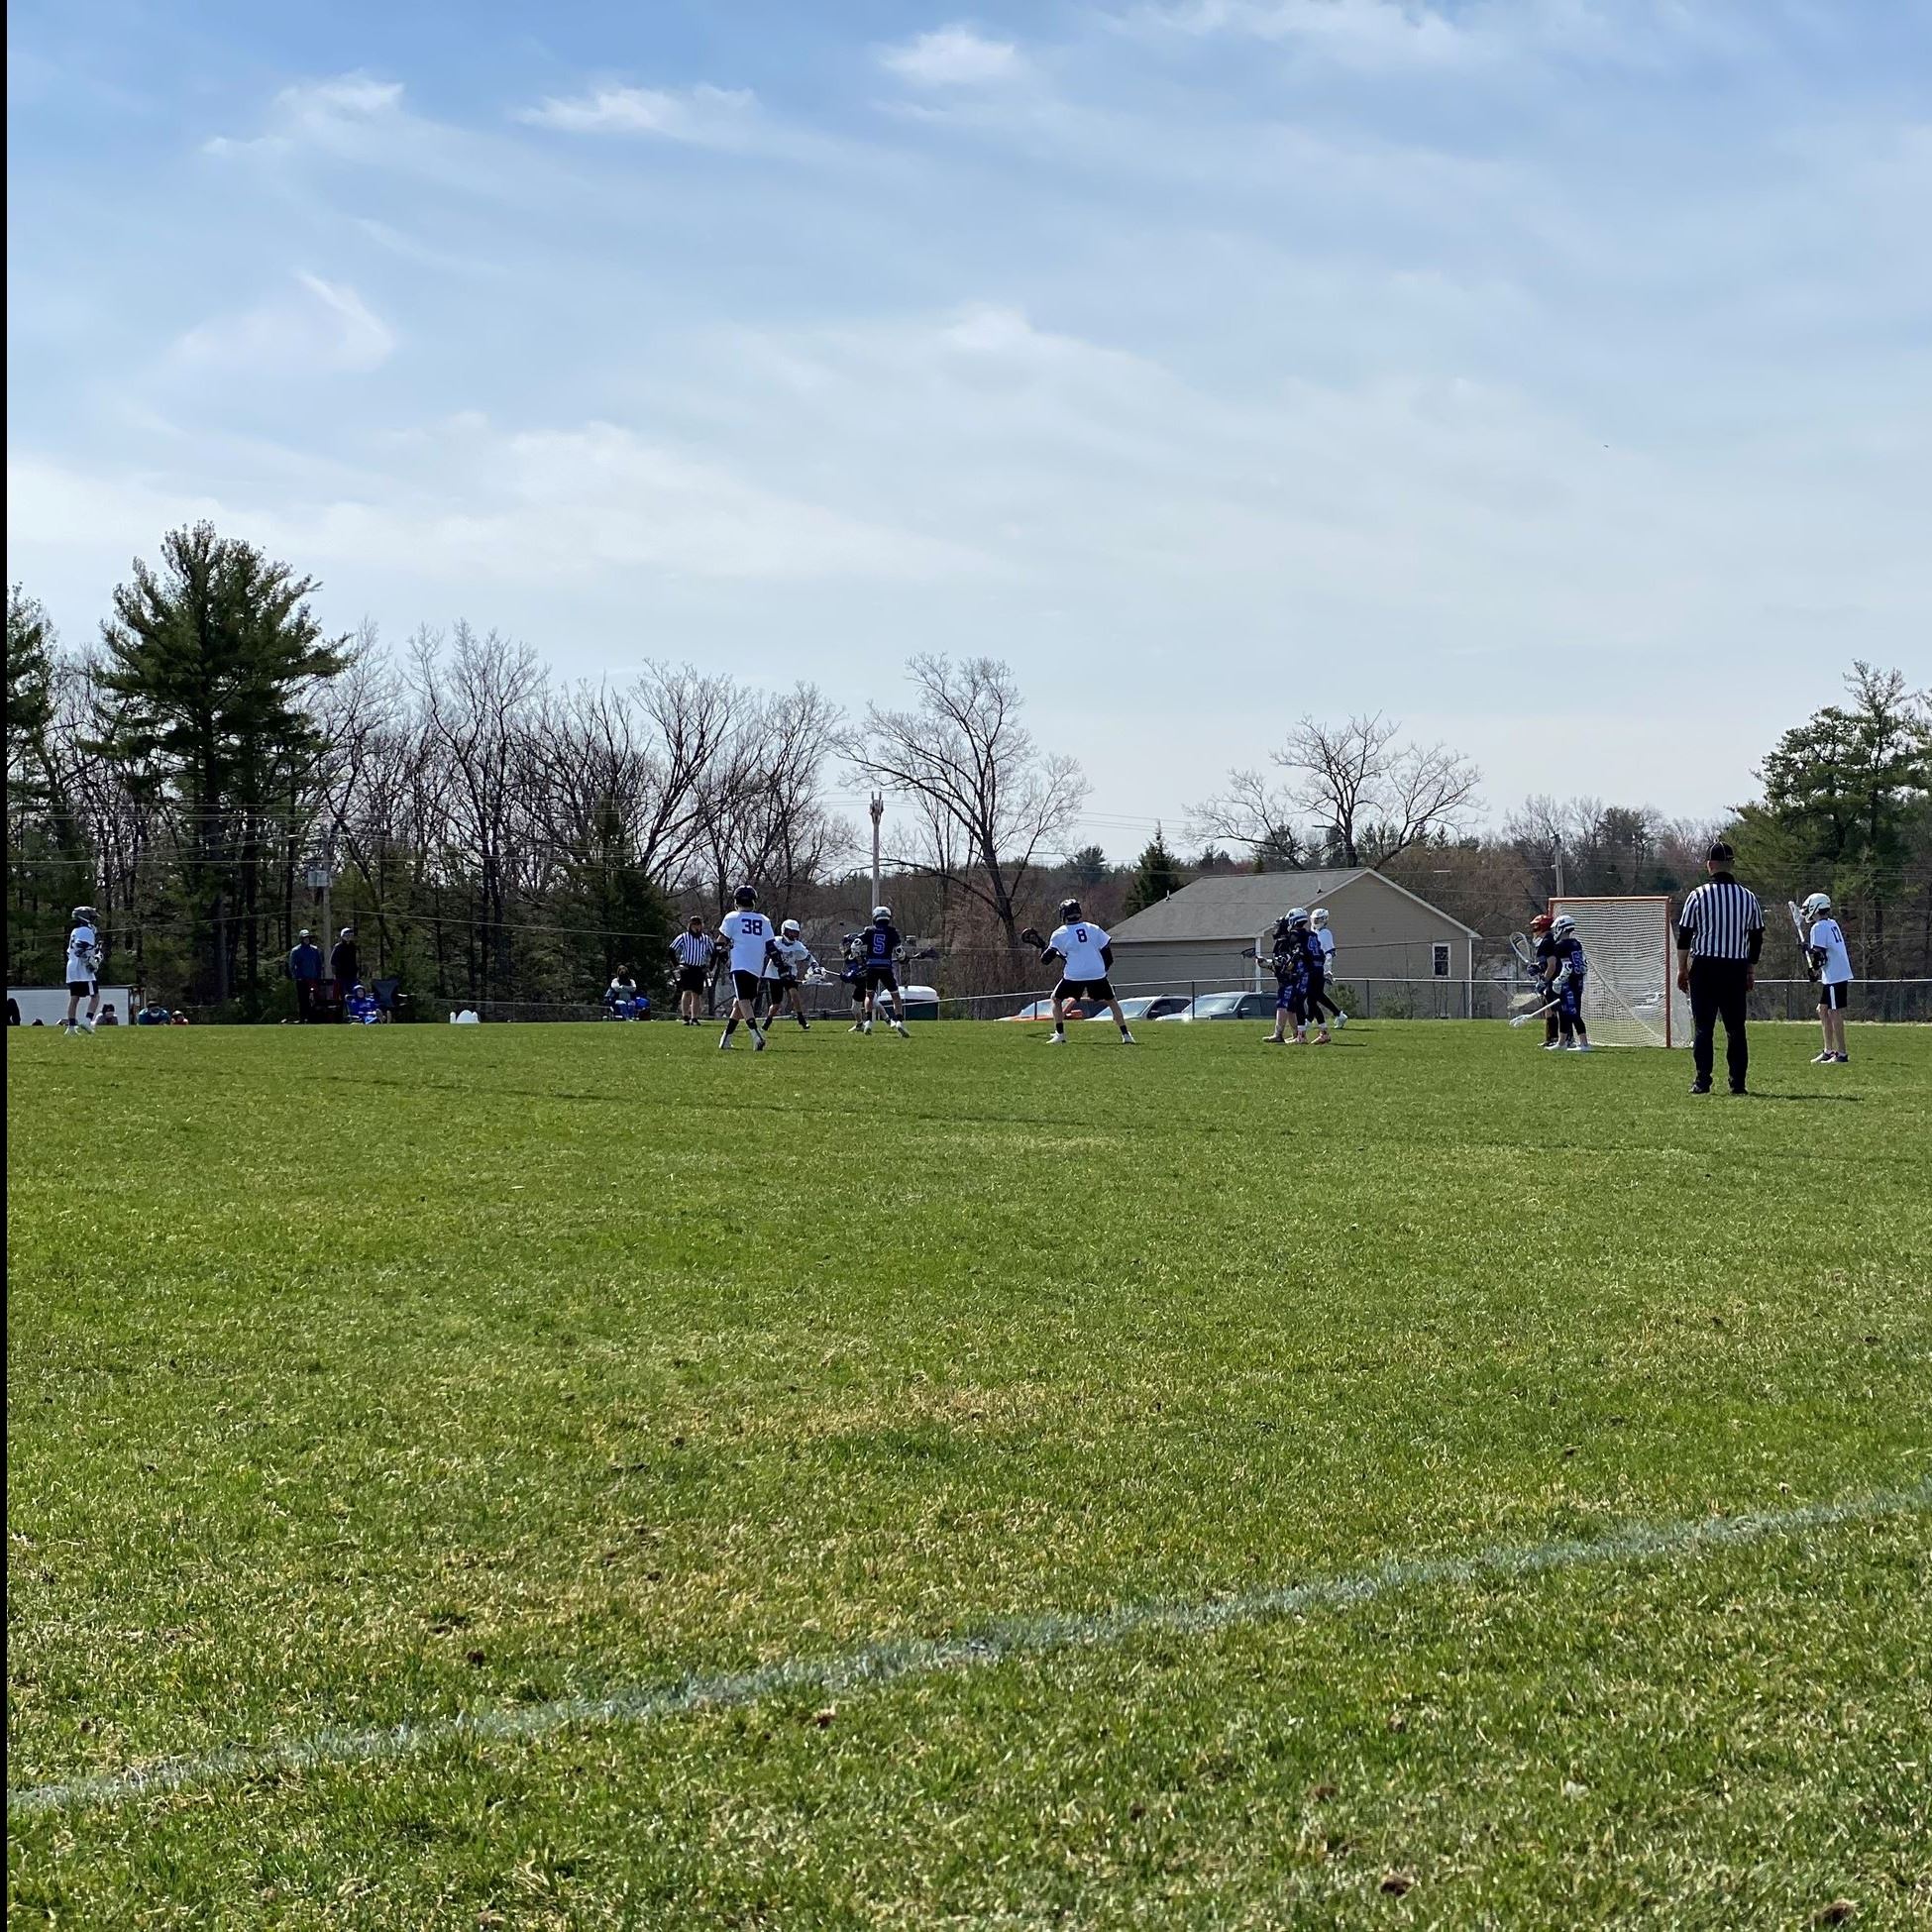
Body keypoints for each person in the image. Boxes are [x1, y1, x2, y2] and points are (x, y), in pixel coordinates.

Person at [1675, 839, 1764, 1096]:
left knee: (1704, 1027)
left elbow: (1685, 935)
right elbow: (1756, 936)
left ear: (1710, 865)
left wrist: (1682, 968)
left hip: (1705, 967)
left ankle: (1702, 1081)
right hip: (1735, 967)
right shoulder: (1748, 897)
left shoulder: (1698, 895)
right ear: (1731, 865)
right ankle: (1738, 1083)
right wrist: (1750, 968)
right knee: (1736, 1029)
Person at [1033, 900, 1136, 1045]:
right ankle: (1126, 1035)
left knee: (1056, 999)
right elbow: (1108, 955)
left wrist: (1044, 949)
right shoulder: (1093, 928)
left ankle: (1060, 1034)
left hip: (1074, 975)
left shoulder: (1059, 933)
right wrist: (1103, 971)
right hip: (1097, 973)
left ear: (1063, 914)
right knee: (1112, 1002)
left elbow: (1046, 960)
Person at [715, 885, 778, 1051]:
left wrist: (725, 959)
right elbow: (771, 947)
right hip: (756, 966)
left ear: (736, 901)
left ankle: (728, 1038)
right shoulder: (764, 920)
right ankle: (754, 1035)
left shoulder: (732, 918)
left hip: (740, 965)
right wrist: (781, 966)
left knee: (741, 1003)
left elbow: (720, 943)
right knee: (744, 1001)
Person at [1801, 892, 1854, 1064]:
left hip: (1834, 975)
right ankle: (1828, 1050)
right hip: (1835, 972)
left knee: (1833, 1012)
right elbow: (1822, 952)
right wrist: (1810, 952)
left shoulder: (1819, 927)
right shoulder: (1831, 923)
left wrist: (1813, 968)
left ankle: (1842, 1054)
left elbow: (1820, 956)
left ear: (1816, 908)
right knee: (1822, 1010)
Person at [1262, 908, 1323, 1045]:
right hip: (1312, 972)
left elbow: (1289, 959)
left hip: (1296, 977)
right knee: (1295, 1005)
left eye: (1278, 926)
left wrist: (1271, 964)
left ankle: (1288, 1035)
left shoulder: (1291, 938)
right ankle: (1301, 1034)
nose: (1275, 929)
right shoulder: (1309, 935)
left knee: (1289, 1004)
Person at [853, 907, 911, 1037]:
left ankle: (868, 1021)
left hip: (872, 967)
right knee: (895, 996)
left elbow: (855, 945)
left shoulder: (869, 931)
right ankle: (899, 1021)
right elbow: (899, 952)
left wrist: (860, 960)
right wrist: (903, 959)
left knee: (869, 995)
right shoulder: (892, 932)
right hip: (886, 968)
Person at [1545, 914, 1592, 1052]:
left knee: (1573, 1013)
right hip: (1578, 982)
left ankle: (1584, 1044)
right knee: (1564, 1013)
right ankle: (1561, 1043)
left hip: (1568, 984)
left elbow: (1567, 967)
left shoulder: (1560, 946)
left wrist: (1558, 982)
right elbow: (1583, 965)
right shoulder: (1576, 943)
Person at [762, 919, 818, 1031]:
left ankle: (801, 1019)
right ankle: (768, 1020)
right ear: (785, 931)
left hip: (789, 973)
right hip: (774, 975)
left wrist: (815, 966)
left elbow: (809, 957)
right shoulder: (775, 942)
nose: (793, 935)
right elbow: (764, 952)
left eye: (795, 933)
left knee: (794, 994)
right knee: (776, 1004)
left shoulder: (798, 946)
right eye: (791, 932)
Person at [63, 904, 103, 1034]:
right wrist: (92, 962)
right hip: (82, 968)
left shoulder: (75, 931)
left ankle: (71, 1027)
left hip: (72, 967)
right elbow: (81, 948)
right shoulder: (85, 931)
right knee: (95, 996)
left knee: (74, 997)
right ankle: (87, 1021)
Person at [1527, 912, 1562, 1047]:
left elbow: (1552, 965)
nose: (1534, 929)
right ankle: (1551, 1038)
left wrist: (1544, 981)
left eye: (1536, 925)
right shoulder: (1547, 941)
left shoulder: (1547, 942)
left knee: (1553, 1009)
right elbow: (1547, 964)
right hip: (1551, 979)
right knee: (1548, 1009)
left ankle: (1558, 1038)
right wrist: (1537, 967)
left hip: (1553, 981)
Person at [1308, 907, 1346, 1030]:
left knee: (1313, 995)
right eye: (1314, 919)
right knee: (1316, 995)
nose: (1315, 922)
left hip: (1320, 969)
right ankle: (1339, 1015)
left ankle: (1308, 1020)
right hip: (1313, 968)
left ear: (1324, 920)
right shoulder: (1314, 933)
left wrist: (1326, 970)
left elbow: (1329, 954)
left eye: (1318, 919)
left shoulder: (1325, 933)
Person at [670, 918, 714, 1025]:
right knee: (687, 991)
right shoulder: (684, 937)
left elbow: (714, 953)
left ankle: (694, 1017)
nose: (696, 927)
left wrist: (710, 967)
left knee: (697, 994)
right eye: (694, 925)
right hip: (687, 967)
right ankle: (685, 1016)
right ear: (690, 926)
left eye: (698, 925)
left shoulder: (706, 939)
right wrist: (677, 965)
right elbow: (671, 950)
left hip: (699, 968)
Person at [288, 928, 324, 1022]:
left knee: (314, 999)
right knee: (303, 999)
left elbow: (319, 964)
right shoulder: (296, 951)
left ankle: (312, 1018)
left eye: (308, 937)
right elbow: (292, 966)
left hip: (313, 979)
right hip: (302, 979)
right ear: (301, 939)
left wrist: (318, 976)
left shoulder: (314, 950)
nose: (307, 939)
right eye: (304, 938)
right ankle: (302, 1018)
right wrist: (297, 976)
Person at [329, 927, 360, 1013]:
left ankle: (355, 1014)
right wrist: (341, 968)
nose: (348, 937)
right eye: (346, 935)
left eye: (350, 935)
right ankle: (346, 1015)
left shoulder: (353, 946)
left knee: (354, 995)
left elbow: (354, 960)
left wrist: (355, 969)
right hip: (342, 977)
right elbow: (332, 961)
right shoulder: (338, 947)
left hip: (352, 976)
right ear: (342, 936)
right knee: (344, 996)